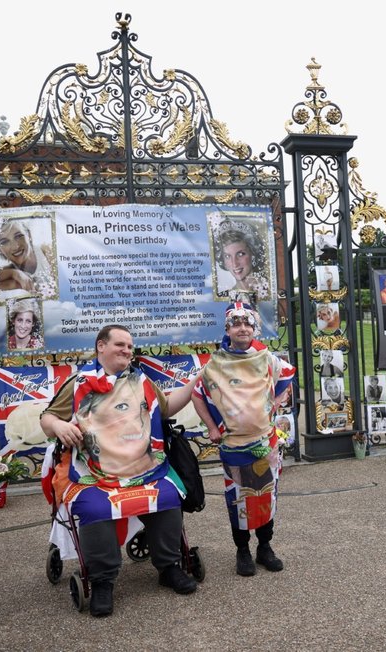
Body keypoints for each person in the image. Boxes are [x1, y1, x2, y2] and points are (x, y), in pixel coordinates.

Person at [40, 324, 202, 617]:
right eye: (120, 345)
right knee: (94, 506)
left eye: (130, 346)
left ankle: (168, 567)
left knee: (166, 495)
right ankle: (102, 581)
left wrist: (197, 382)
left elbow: (165, 410)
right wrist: (59, 425)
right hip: (95, 472)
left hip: (144, 468)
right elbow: (47, 417)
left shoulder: (142, 381)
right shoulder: (79, 383)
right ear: (100, 346)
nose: (127, 350)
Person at [191, 303, 296, 577]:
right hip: (234, 445)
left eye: (248, 323)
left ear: (254, 328)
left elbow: (287, 378)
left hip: (265, 441)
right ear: (227, 329)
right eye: (236, 323)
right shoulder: (215, 365)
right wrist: (213, 427)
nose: (243, 328)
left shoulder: (267, 358)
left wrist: (272, 405)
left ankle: (265, 547)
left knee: (266, 495)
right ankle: (242, 550)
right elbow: (197, 395)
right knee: (238, 498)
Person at [0, 218, 56, 300]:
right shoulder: (9, 275)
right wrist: (14, 273)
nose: (15, 246)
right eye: (4, 242)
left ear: (29, 235)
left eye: (18, 236)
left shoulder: (47, 250)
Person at [214, 224, 269, 300]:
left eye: (240, 254)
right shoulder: (223, 296)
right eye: (227, 256)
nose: (235, 263)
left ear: (252, 253)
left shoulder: (270, 291)